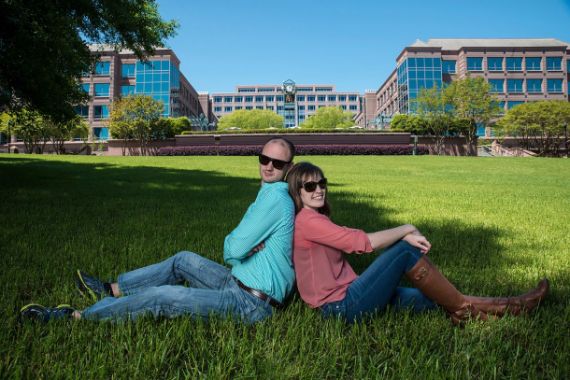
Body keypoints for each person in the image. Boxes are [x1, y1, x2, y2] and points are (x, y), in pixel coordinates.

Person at [20, 137, 297, 323]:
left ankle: (80, 316)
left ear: (289, 167)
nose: (269, 166)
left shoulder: (276, 197)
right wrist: (243, 251)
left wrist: (240, 249)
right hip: (237, 281)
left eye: (278, 163)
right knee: (183, 259)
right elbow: (236, 254)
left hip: (250, 304)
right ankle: (111, 289)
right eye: (264, 159)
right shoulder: (269, 194)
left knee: (164, 296)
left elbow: (231, 249)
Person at [286, 162, 549, 325]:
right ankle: (474, 316)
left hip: (351, 295)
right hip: (341, 307)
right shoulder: (308, 221)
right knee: (403, 251)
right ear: (298, 191)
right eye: (310, 186)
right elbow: (359, 242)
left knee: (438, 297)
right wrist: (406, 229)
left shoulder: (317, 218)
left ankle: (514, 305)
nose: (318, 189)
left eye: (322, 183)